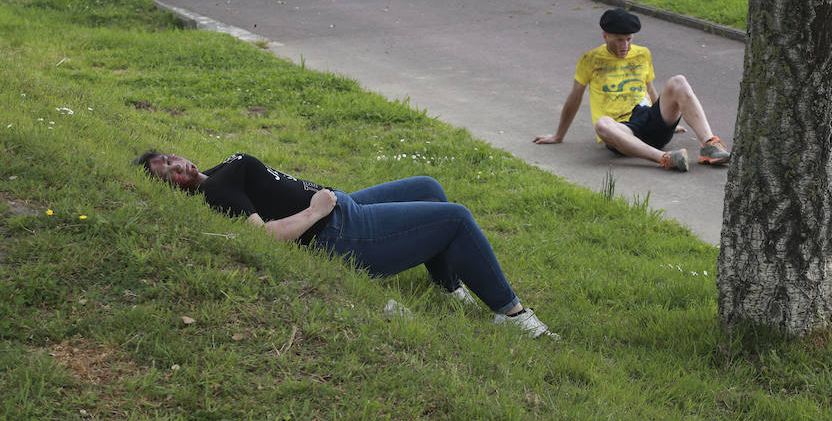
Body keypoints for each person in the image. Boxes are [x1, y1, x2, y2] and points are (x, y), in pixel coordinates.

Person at [134, 151, 557, 339]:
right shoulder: (216, 194)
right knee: (455, 216)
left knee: (428, 186)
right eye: (167, 174)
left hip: (345, 205)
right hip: (341, 231)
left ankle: (450, 287)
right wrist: (316, 211)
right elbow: (263, 239)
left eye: (170, 160)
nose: (177, 167)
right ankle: (513, 315)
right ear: (171, 188)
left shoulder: (218, 172)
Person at [533, 7, 730, 172]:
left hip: (649, 120)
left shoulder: (642, 54)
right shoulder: (590, 60)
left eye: (629, 39)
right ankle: (666, 158)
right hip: (623, 131)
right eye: (619, 40)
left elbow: (650, 88)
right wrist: (559, 135)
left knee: (679, 81)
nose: (625, 46)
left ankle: (709, 145)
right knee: (602, 124)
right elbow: (575, 97)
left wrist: (668, 115)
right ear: (605, 36)